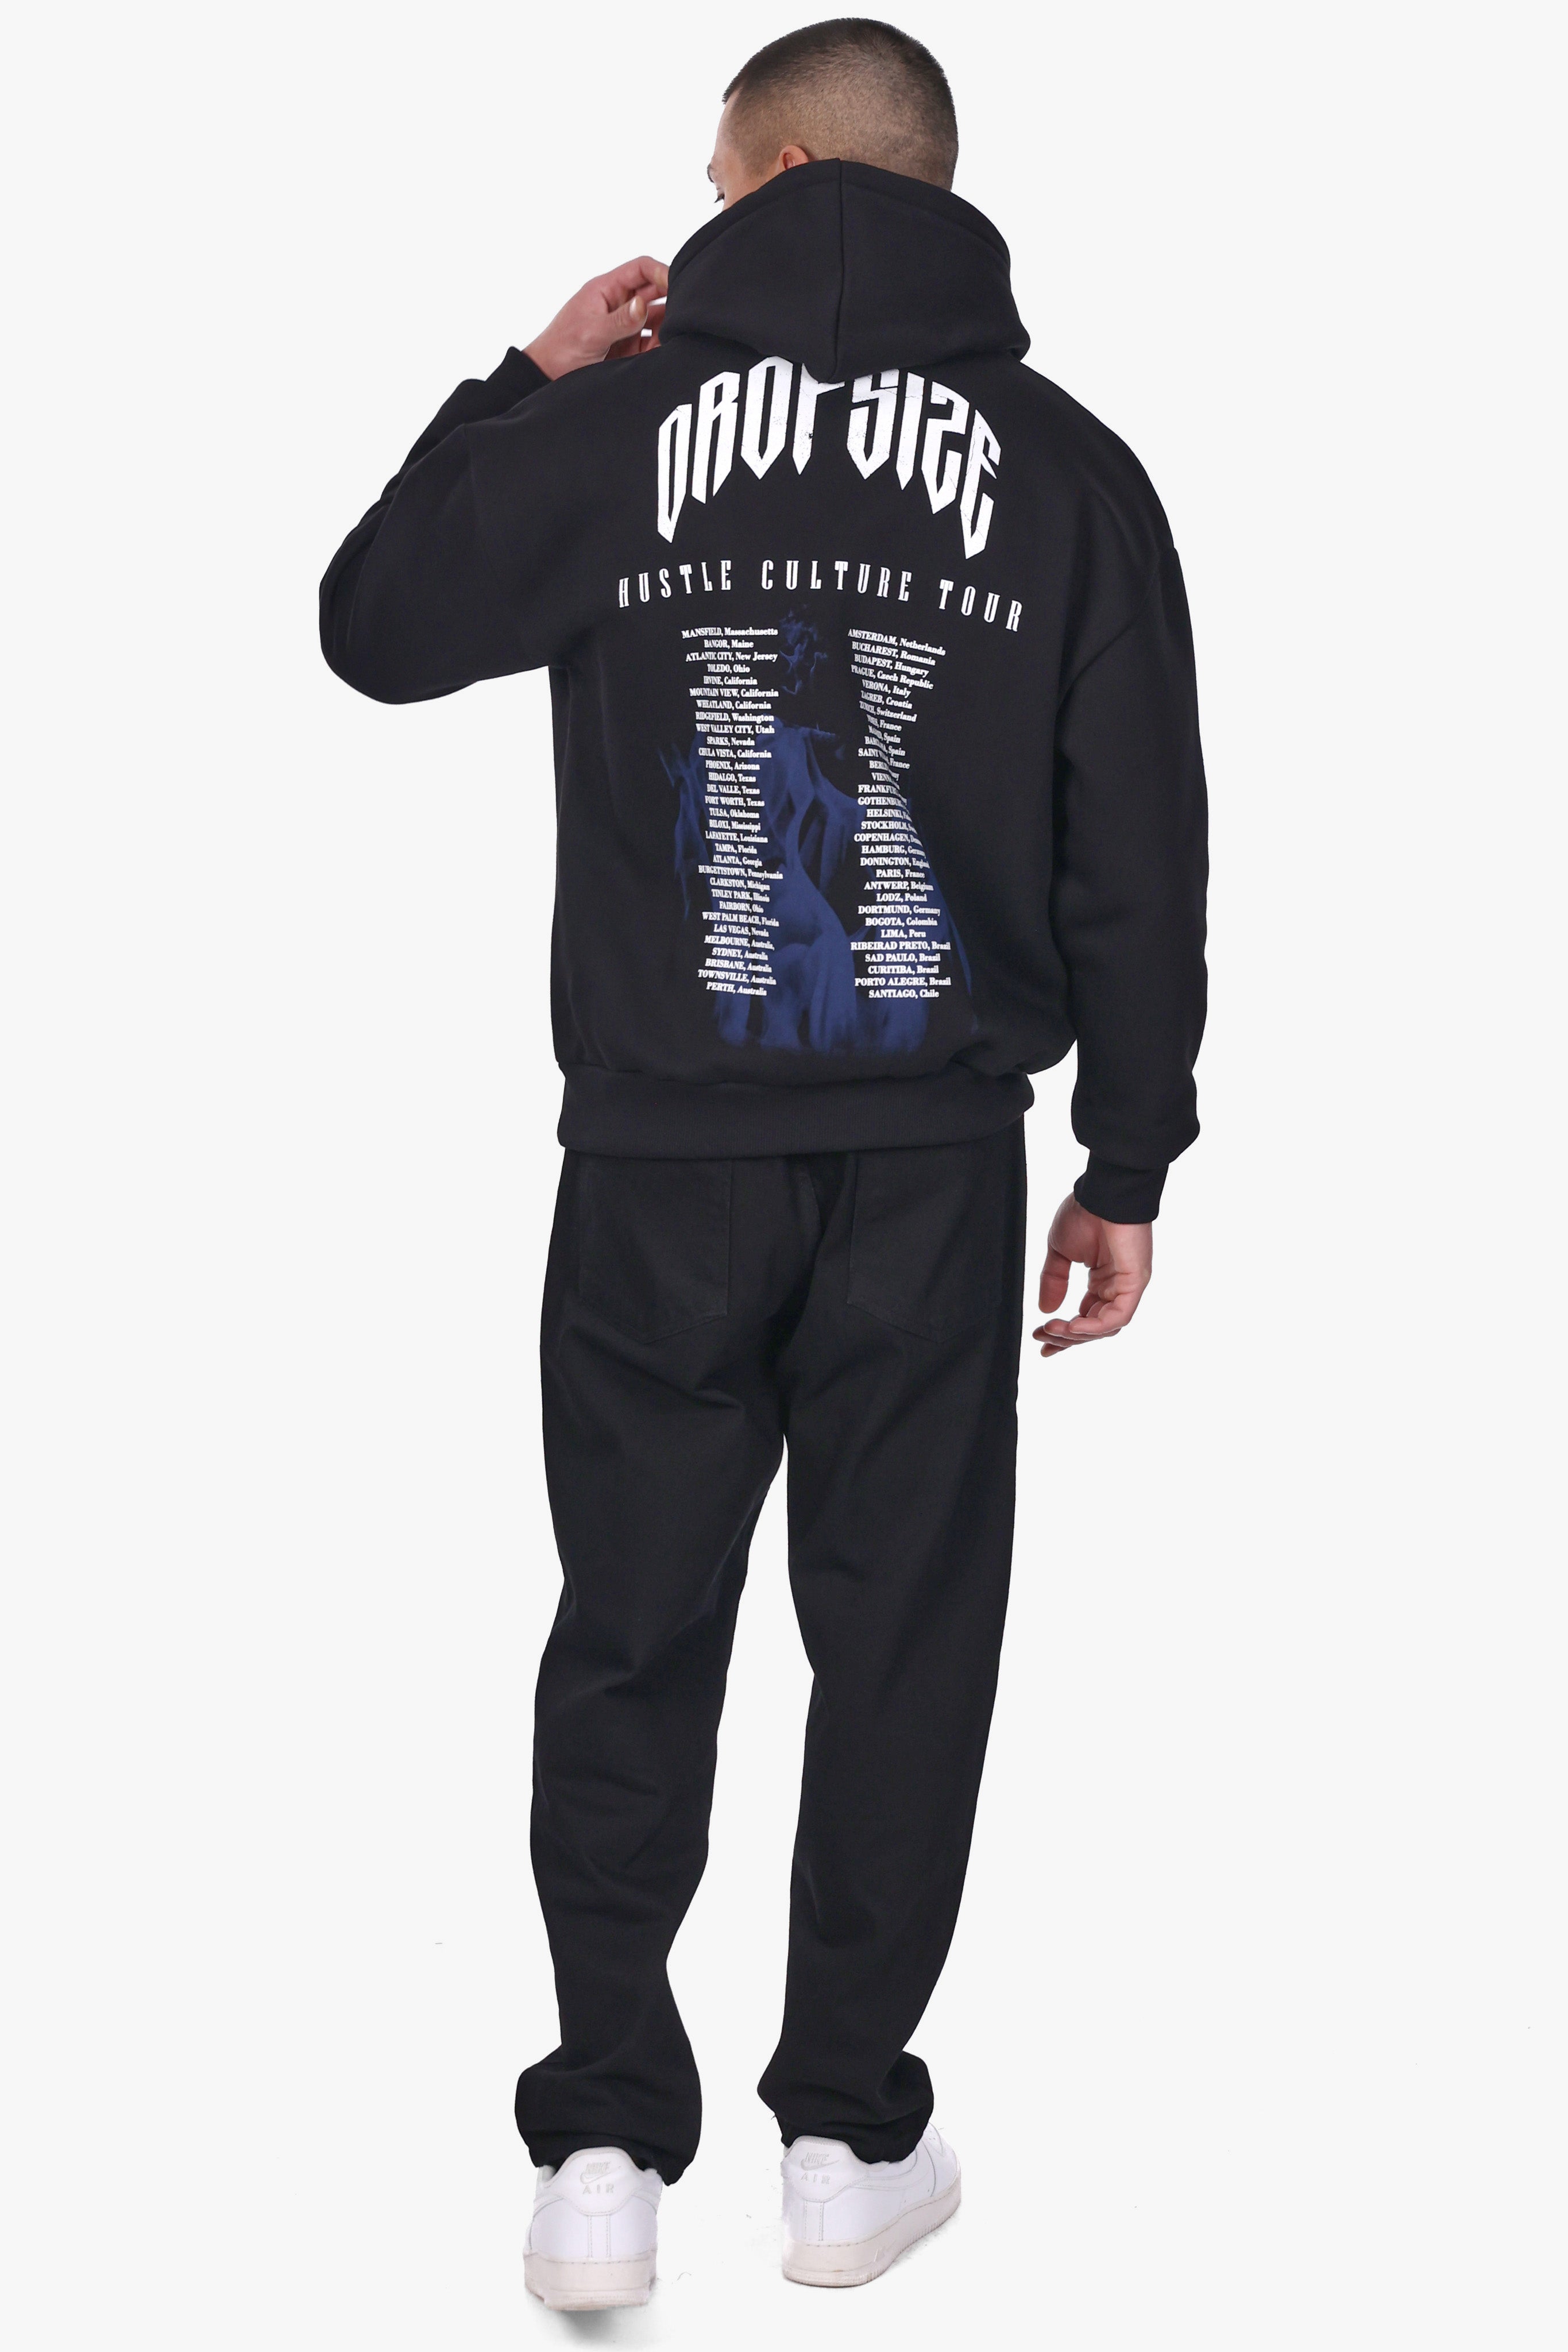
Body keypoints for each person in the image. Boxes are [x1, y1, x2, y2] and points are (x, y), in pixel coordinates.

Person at [320, 15, 1207, 2312]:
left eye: (715, 182)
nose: (704, 219)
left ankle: (603, 2151)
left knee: (632, 1631)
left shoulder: (616, 433)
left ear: (783, 168)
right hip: (931, 1164)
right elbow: (1138, 840)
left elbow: (375, 626)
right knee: (900, 1643)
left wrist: (523, 383)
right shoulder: (1067, 473)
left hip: (655, 1161)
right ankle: (841, 2136)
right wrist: (1126, 1153)